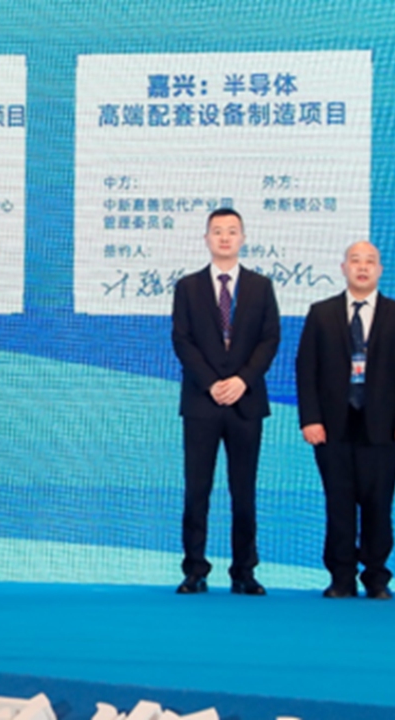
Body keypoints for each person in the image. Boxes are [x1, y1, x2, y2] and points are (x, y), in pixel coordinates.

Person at [296, 241, 395, 600]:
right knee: (338, 503)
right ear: (343, 267)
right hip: (331, 427)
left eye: (370, 262)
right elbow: (306, 370)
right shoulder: (321, 313)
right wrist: (310, 419)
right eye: (355, 261)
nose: (362, 267)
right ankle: (341, 577)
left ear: (380, 270)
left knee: (378, 504)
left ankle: (376, 577)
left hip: (384, 427)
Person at [171, 208, 279, 596]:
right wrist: (213, 382)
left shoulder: (261, 287)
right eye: (217, 231)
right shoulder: (188, 287)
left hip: (245, 403)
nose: (225, 238)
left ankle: (244, 571)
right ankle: (195, 569)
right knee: (197, 489)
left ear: (243, 238)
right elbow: (182, 341)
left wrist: (241, 381)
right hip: (202, 402)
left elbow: (270, 340)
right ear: (206, 239)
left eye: (232, 231)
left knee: (243, 489)